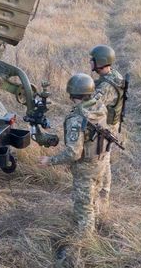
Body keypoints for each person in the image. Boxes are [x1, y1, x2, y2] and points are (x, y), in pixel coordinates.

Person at [40, 73, 107, 234]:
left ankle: (85, 244)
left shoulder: (77, 119)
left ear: (73, 94)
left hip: (85, 169)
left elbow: (74, 153)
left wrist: (50, 160)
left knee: (83, 208)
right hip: (100, 162)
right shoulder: (99, 107)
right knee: (93, 198)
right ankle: (94, 225)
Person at [89, 45, 126, 209]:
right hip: (109, 124)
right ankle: (103, 194)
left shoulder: (106, 87)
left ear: (100, 62)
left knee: (102, 161)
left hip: (105, 127)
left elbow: (91, 106)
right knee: (105, 159)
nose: (90, 62)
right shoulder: (113, 75)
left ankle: (101, 197)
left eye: (93, 60)